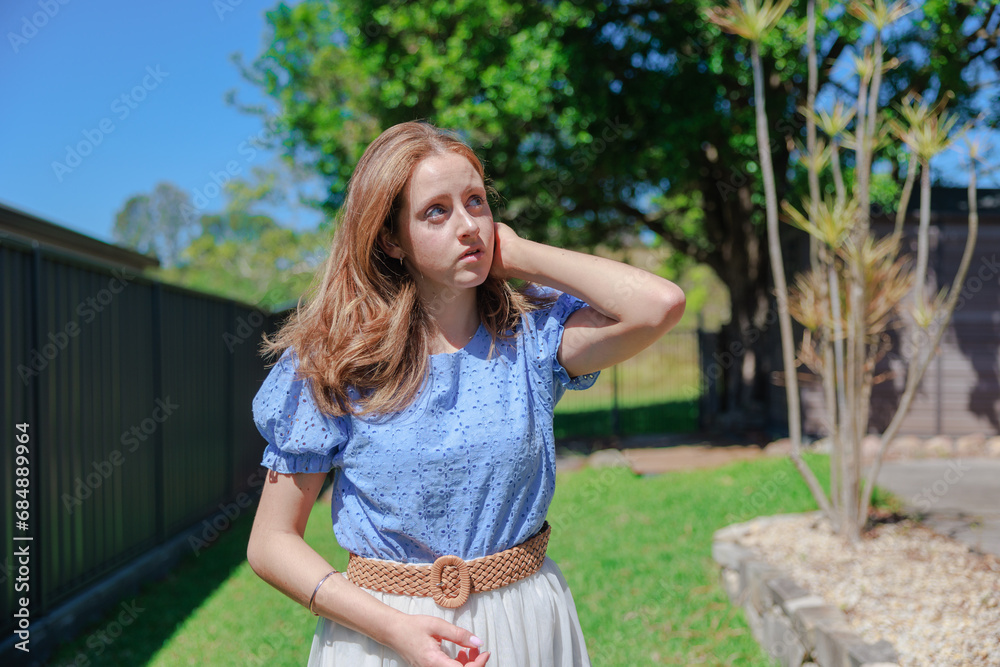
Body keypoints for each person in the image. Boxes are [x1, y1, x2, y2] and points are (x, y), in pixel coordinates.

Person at [247, 120, 685, 667]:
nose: (468, 226)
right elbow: (270, 542)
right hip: (382, 635)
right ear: (390, 238)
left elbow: (658, 305)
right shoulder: (333, 363)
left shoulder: (531, 338)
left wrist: (519, 253)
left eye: (476, 202)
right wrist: (394, 628)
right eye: (436, 211)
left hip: (523, 622)